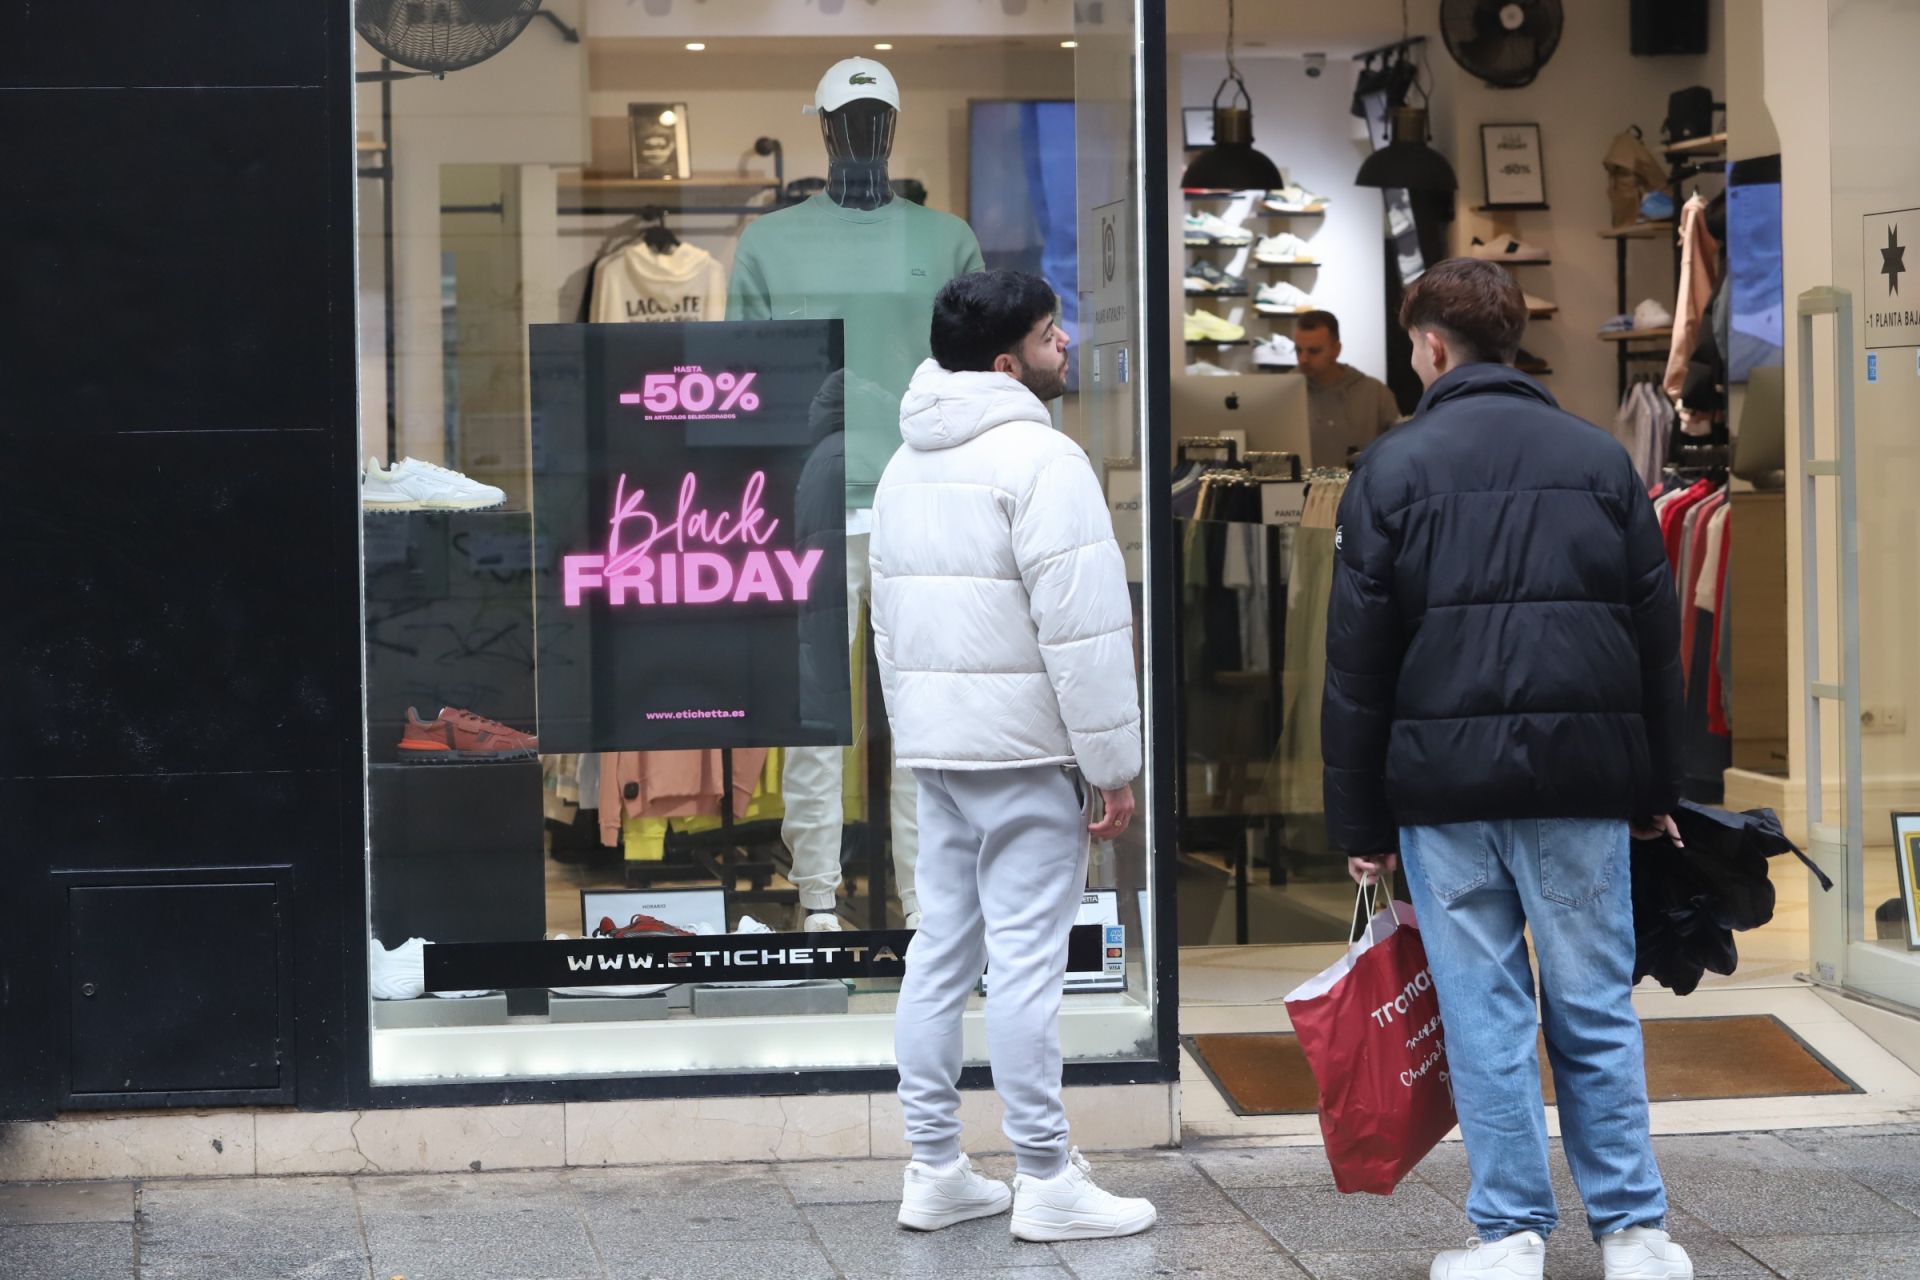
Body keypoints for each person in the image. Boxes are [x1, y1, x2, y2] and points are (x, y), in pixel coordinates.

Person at [1320, 258, 1694, 1280]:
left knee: (1485, 1010)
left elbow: (1357, 664)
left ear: (1433, 347)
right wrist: (1660, 787)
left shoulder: (1391, 469)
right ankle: (1635, 1232)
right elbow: (1655, 638)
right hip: (1582, 782)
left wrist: (1357, 822)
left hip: (1444, 793)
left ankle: (1511, 1233)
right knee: (1593, 1004)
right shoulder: (1600, 460)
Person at [872, 269, 1155, 1243]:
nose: (1065, 342)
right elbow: (1084, 629)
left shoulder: (906, 461)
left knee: (940, 954)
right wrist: (1112, 765)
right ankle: (1046, 1174)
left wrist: (917, 732)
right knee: (1028, 966)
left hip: (941, 751)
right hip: (1027, 753)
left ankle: (934, 1167)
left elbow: (888, 625)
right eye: (1047, 333)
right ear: (1006, 363)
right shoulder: (1044, 458)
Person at [1293, 310, 1403, 466]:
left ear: (1336, 349)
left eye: (1314, 351)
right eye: (1298, 350)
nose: (1303, 359)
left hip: (1359, 487)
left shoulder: (1375, 393)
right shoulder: (1283, 394)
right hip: (1295, 489)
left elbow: (1399, 451)